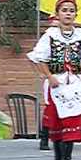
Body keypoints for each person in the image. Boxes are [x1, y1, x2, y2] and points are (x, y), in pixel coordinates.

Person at [27, 0, 81, 160]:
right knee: (58, 122)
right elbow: (38, 58)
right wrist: (49, 76)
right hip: (57, 84)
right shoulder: (50, 35)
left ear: (76, 14)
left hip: (76, 83)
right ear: (58, 14)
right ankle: (59, 153)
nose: (68, 14)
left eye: (71, 11)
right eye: (64, 10)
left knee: (72, 121)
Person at [28, 14, 59, 150]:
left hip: (67, 78)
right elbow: (35, 56)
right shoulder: (49, 35)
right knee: (51, 108)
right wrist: (43, 73)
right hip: (53, 76)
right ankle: (44, 138)